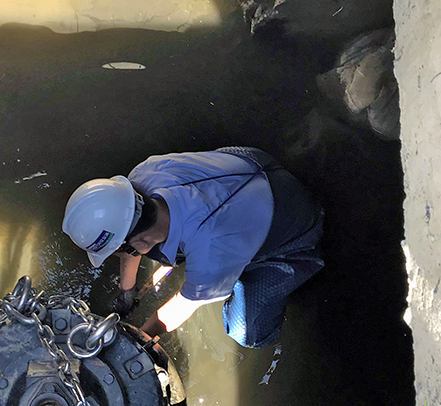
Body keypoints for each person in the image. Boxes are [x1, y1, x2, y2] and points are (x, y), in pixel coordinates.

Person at [62, 147, 323, 348]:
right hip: (249, 164)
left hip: (294, 221)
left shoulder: (210, 251)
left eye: (122, 251)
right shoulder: (142, 174)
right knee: (165, 247)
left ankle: (294, 260)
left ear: (141, 242)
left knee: (246, 332)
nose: (123, 255)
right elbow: (132, 234)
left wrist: (136, 340)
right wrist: (126, 291)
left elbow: (181, 306)